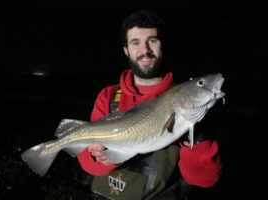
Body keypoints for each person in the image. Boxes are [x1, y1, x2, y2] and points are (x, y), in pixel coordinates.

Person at [77, 10, 222, 200]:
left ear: (163, 45)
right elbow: (89, 166)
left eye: (152, 40)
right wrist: (101, 157)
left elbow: (205, 179)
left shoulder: (187, 100)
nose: (145, 50)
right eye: (135, 42)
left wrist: (197, 136)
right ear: (126, 50)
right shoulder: (109, 96)